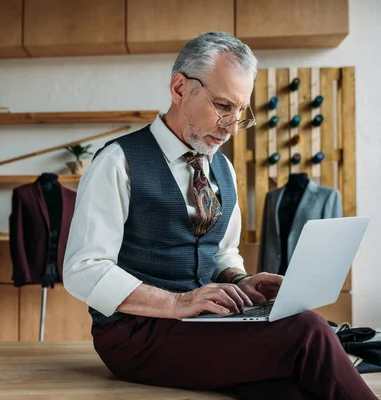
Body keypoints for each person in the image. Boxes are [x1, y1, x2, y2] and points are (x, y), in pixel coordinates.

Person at [62, 32, 376, 400]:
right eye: (223, 106)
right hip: (135, 336)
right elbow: (84, 269)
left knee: (298, 386)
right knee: (306, 331)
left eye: (241, 111)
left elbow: (222, 252)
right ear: (180, 88)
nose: (231, 126)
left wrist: (242, 281)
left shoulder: (222, 168)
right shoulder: (117, 161)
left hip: (201, 326)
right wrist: (179, 303)